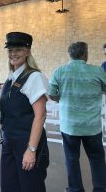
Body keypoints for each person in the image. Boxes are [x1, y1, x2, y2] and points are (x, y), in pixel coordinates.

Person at [49, 41, 106, 192]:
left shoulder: (59, 71)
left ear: (70, 54)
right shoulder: (98, 71)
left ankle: (75, 189)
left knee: (72, 159)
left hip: (70, 126)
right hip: (92, 126)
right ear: (85, 54)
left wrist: (62, 98)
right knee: (97, 158)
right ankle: (100, 188)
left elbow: (52, 94)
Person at [0, 32, 49, 192]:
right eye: (10, 50)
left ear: (28, 51)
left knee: (30, 187)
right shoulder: (11, 78)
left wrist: (31, 150)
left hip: (26, 142)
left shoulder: (34, 77)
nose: (13, 54)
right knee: (9, 186)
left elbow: (40, 116)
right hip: (9, 141)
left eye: (18, 49)